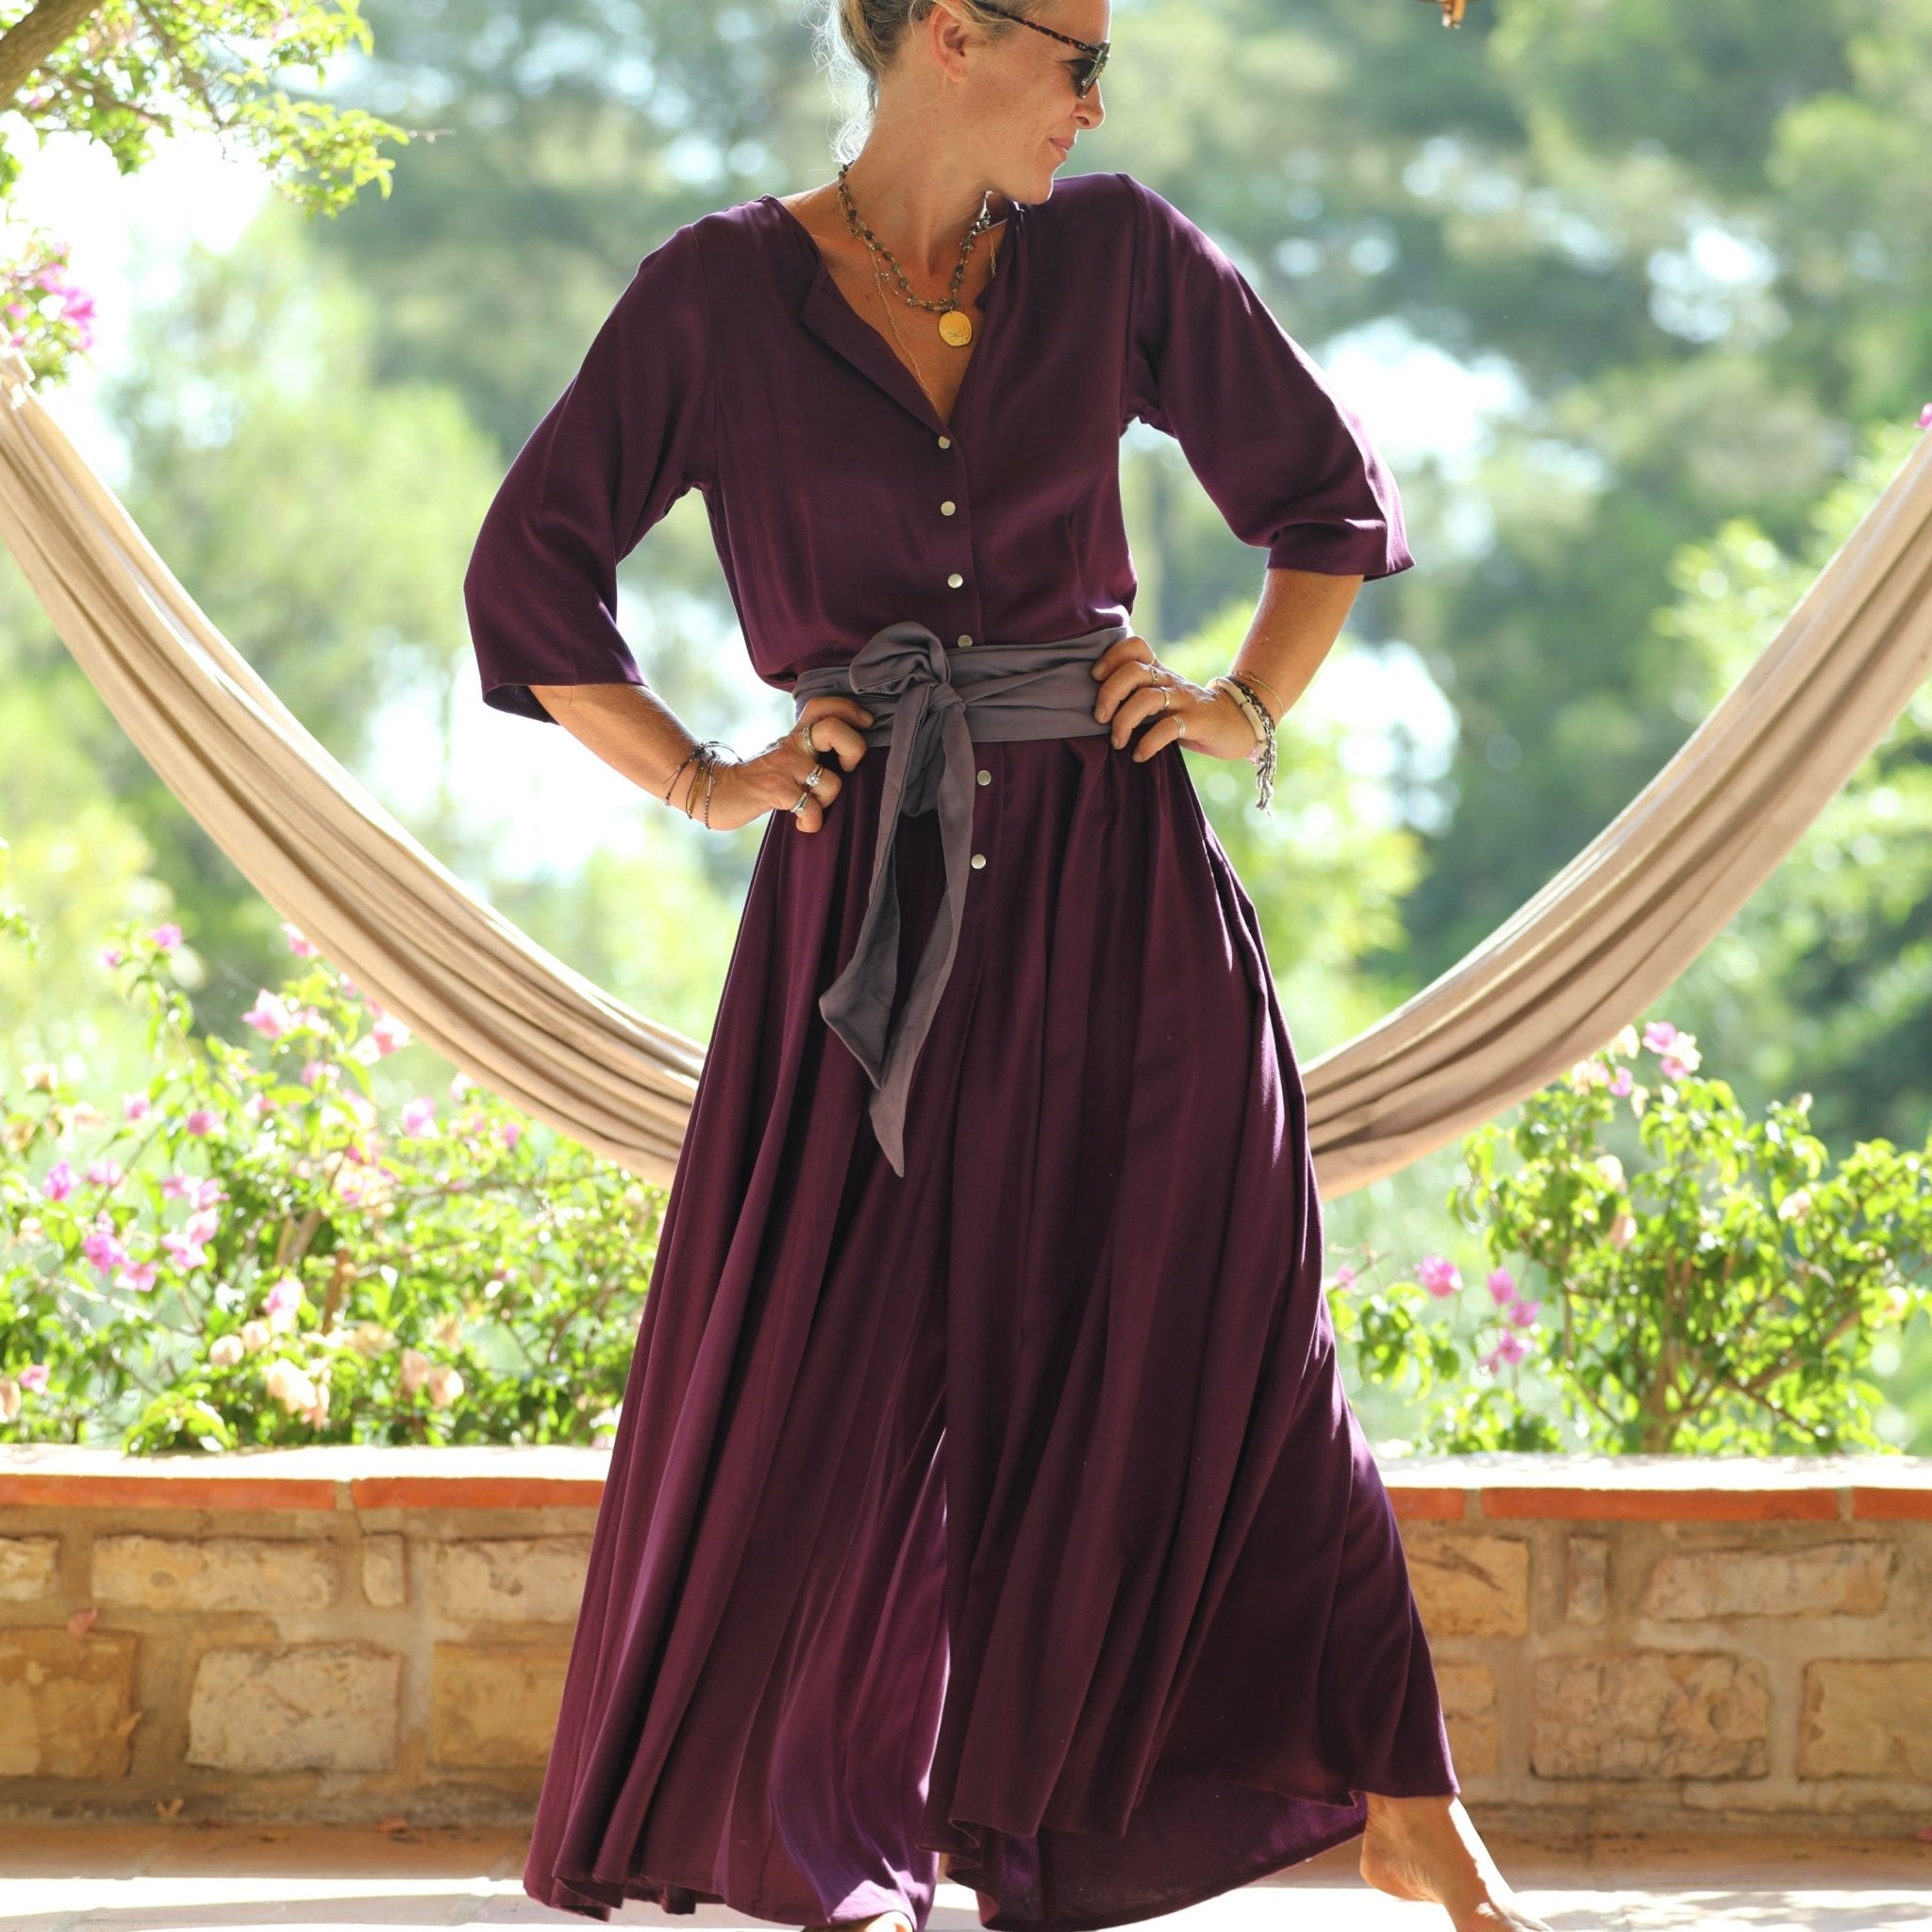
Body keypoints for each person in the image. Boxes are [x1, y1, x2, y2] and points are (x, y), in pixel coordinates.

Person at [462, 4, 1555, 1930]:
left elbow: (1327, 498)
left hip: (1125, 902)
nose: (1098, 103)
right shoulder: (714, 297)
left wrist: (1237, 705)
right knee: (826, 1363)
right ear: (954, 34)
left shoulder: (1120, 252)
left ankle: (1406, 1802)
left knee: (1235, 1341)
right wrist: (706, 778)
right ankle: (814, 1833)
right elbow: (532, 576)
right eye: (1077, 55)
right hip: (864, 922)